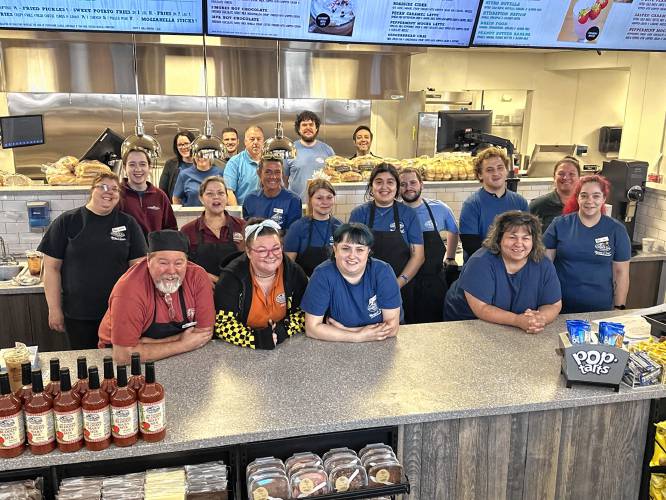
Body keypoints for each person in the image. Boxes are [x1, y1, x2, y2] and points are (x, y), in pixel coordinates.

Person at [38, 172, 147, 349]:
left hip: (119, 312)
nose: (109, 192)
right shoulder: (67, 221)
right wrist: (54, 309)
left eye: (115, 189)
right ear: (92, 191)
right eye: (103, 186)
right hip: (78, 313)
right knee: (86, 367)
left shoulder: (128, 223)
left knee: (120, 364)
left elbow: (139, 270)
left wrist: (139, 309)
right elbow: (51, 269)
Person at [98, 230, 214, 362]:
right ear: (148, 260)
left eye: (178, 263)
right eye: (163, 263)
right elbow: (123, 356)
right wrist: (183, 343)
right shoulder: (129, 289)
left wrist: (149, 343)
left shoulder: (197, 277)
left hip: (165, 353)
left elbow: (204, 333)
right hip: (116, 354)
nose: (171, 271)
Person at [444, 211, 562, 334]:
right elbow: (482, 308)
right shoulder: (480, 262)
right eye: (512, 237)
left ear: (534, 241)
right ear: (499, 239)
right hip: (467, 323)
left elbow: (553, 304)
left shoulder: (543, 264)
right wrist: (517, 320)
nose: (519, 243)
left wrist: (538, 319)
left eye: (526, 238)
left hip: (515, 326)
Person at [213, 219, 308, 350]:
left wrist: (284, 330)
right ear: (248, 251)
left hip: (286, 348)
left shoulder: (293, 272)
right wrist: (255, 339)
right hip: (239, 352)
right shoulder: (231, 278)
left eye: (276, 248)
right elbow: (222, 324)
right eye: (262, 250)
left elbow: (306, 312)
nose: (271, 256)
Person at [348, 163, 424, 324]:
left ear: (396, 187)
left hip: (401, 286)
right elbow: (350, 255)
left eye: (390, 182)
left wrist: (397, 284)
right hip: (365, 289)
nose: (384, 187)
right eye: (379, 181)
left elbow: (418, 256)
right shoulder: (359, 214)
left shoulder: (408, 214)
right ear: (371, 186)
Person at [543, 174, 631, 313]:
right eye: (584, 195)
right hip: (558, 307)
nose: (589, 201)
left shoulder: (616, 230)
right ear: (577, 198)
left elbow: (621, 274)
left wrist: (619, 308)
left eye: (596, 196)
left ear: (604, 199)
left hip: (599, 309)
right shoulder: (559, 225)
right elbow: (544, 266)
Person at [302, 223, 401, 342]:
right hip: (337, 349)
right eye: (345, 248)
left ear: (368, 252)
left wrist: (344, 330)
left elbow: (392, 328)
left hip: (382, 344)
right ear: (335, 249)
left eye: (359, 249)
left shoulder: (383, 272)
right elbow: (311, 329)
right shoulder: (322, 275)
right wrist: (358, 336)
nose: (352, 256)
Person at [399, 167, 459, 322]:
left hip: (433, 282)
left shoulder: (439, 208)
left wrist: (450, 257)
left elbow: (454, 230)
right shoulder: (394, 211)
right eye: (403, 184)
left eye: (413, 182)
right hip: (404, 283)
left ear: (421, 184)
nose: (408, 187)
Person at [459, 147, 528, 260]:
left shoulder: (520, 202)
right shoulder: (472, 205)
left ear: (506, 170)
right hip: (482, 268)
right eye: (489, 170)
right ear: (480, 175)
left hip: (514, 267)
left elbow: (527, 237)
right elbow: (471, 245)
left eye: (500, 168)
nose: (496, 173)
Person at [180, 176, 246, 285]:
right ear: (201, 198)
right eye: (210, 194)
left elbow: (250, 261)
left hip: (236, 289)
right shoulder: (188, 231)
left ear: (227, 197)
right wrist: (204, 276)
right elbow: (182, 264)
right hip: (201, 289)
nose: (216, 197)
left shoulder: (242, 227)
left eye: (221, 193)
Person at [284, 179, 342, 276]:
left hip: (332, 286)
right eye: (319, 198)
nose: (325, 202)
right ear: (310, 200)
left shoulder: (340, 227)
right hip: (304, 285)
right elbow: (288, 266)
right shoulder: (297, 228)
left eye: (329, 197)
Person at [119, 147, 177, 237]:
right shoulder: (117, 194)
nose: (138, 169)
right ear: (124, 167)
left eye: (142, 164)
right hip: (125, 250)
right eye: (132, 164)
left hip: (155, 250)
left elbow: (171, 229)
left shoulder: (160, 196)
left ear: (149, 167)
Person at [242, 155, 302, 231]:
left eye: (277, 172)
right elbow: (247, 231)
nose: (273, 177)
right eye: (268, 172)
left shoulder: (293, 201)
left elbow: (292, 234)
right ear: (259, 173)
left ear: (282, 174)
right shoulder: (250, 199)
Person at [285, 111, 335, 201]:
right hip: (296, 205)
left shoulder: (328, 151)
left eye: (311, 125)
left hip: (322, 205)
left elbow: (334, 179)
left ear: (316, 128)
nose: (308, 128)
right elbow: (284, 180)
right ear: (299, 129)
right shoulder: (290, 150)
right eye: (304, 125)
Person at [529, 156, 581, 230]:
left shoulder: (586, 205)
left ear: (579, 178)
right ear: (554, 177)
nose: (566, 177)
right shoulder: (538, 205)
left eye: (571, 174)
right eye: (561, 173)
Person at [224, 126, 264, 205]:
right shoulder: (234, 162)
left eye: (259, 139)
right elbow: (229, 192)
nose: (255, 142)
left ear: (263, 141)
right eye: (252, 139)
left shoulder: (270, 161)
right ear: (245, 141)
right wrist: (237, 214)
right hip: (244, 212)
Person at [159, 131, 195, 199]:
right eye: (180, 145)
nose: (183, 147)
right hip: (175, 207)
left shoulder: (202, 164)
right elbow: (162, 190)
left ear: (193, 144)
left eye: (187, 144)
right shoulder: (170, 164)